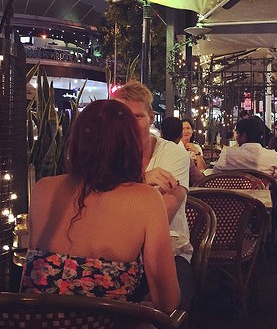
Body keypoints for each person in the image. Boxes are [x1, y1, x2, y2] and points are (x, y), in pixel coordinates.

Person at [21, 100, 180, 313]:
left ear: (75, 142)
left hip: (32, 321)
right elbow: (168, 301)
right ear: (131, 145)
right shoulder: (147, 199)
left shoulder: (43, 189)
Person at [113, 81, 193, 310]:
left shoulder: (174, 155)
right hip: (116, 253)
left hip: (168, 249)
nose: (128, 124)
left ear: (151, 117)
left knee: (169, 310)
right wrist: (141, 180)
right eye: (122, 117)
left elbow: (162, 217)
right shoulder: (109, 154)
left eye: (137, 116)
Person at [214, 116, 277, 186]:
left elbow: (215, 175)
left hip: (232, 192)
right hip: (261, 193)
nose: (236, 137)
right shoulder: (273, 156)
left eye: (237, 133)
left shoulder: (227, 154)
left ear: (243, 135)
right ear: (261, 136)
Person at [162, 116, 205, 186]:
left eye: (188, 128)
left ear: (161, 133)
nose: (186, 131)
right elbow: (200, 179)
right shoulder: (182, 154)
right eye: (183, 129)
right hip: (178, 190)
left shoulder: (153, 151)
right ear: (181, 134)